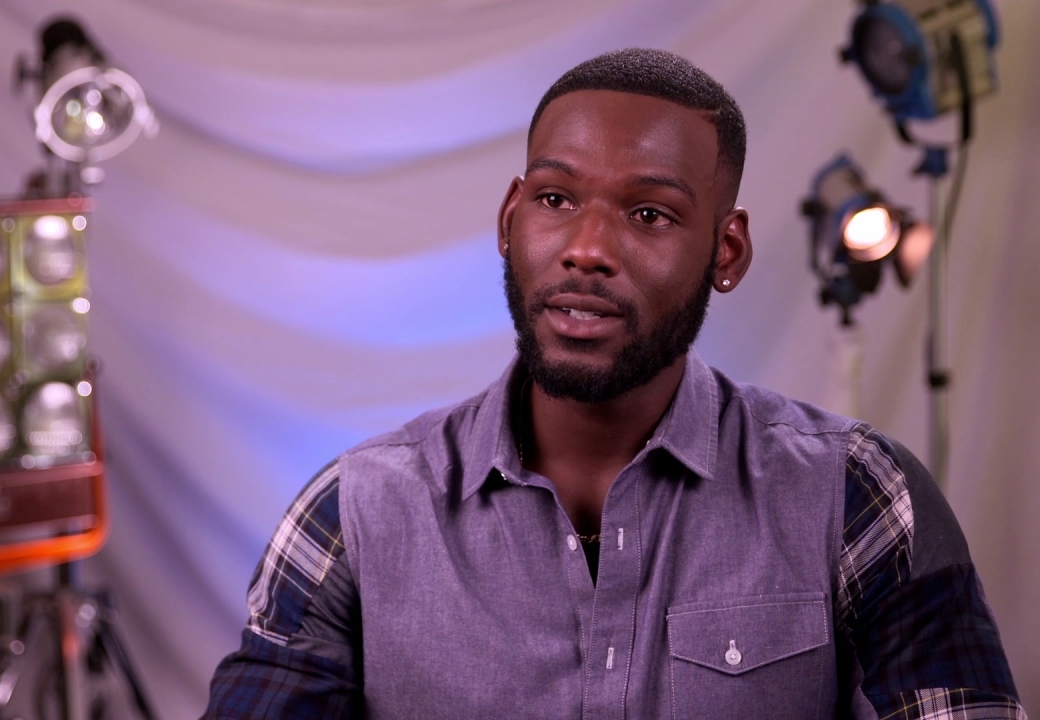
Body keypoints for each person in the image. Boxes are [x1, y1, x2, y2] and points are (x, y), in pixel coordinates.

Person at [203, 49, 1024, 719]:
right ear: (510, 220)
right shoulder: (354, 518)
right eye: (556, 198)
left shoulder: (856, 496)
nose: (587, 249)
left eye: (649, 214)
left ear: (727, 251)